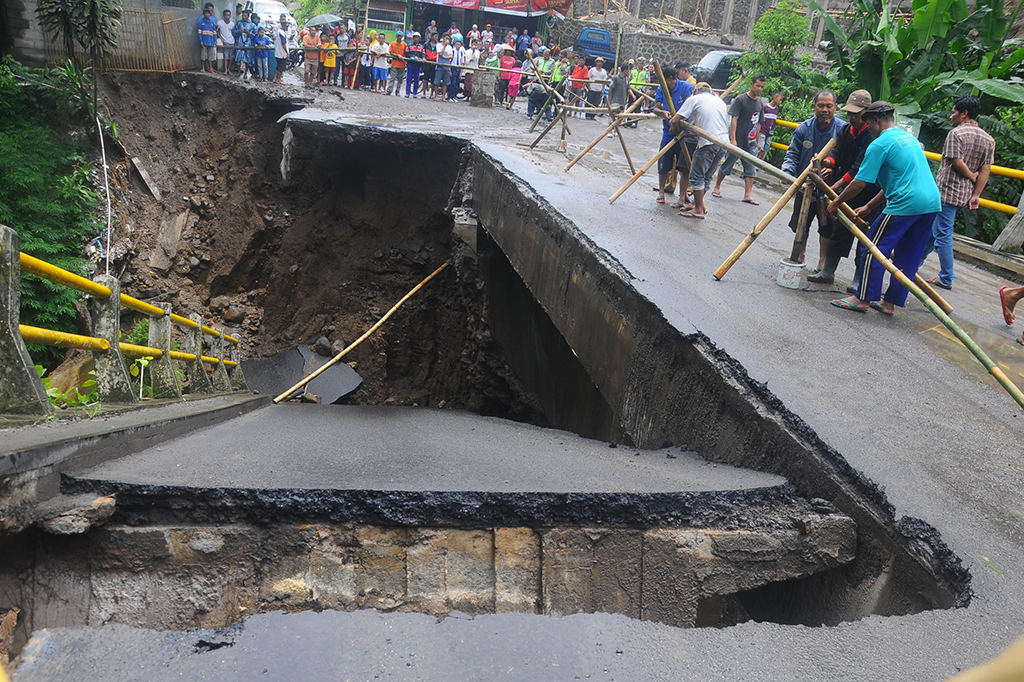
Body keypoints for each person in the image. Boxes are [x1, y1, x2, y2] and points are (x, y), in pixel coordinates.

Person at [826, 100, 941, 315]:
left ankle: (863, 298)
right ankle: (890, 303)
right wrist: (869, 206)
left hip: (905, 203)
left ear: (877, 120)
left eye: (868, 123)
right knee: (909, 255)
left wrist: (836, 202)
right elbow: (895, 181)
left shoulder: (879, 144)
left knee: (872, 248)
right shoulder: (909, 139)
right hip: (931, 203)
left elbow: (860, 181)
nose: (868, 128)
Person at [920, 95, 995, 290]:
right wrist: (976, 194)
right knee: (932, 229)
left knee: (942, 233)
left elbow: (957, 161)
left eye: (953, 112)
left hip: (946, 192)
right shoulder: (988, 139)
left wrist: (970, 175)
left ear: (964, 114)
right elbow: (985, 170)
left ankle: (946, 276)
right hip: (964, 195)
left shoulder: (956, 134)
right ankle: (915, 262)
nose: (951, 116)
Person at [807, 90, 880, 285]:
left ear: (867, 112)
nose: (852, 117)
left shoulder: (872, 136)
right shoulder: (846, 130)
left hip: (868, 192)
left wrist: (837, 187)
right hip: (849, 189)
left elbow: (859, 167)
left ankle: (858, 279)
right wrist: (827, 162)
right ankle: (828, 271)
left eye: (857, 113)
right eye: (850, 113)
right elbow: (837, 154)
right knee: (839, 231)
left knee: (865, 237)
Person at [781, 90, 846, 268]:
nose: (824, 109)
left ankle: (822, 262)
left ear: (835, 107)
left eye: (829, 106)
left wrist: (834, 169)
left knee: (827, 228)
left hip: (831, 188)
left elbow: (849, 161)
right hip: (805, 184)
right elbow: (793, 154)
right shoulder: (805, 128)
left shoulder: (843, 130)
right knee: (802, 222)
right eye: (821, 106)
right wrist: (787, 172)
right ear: (814, 107)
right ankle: (799, 255)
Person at [671, 82, 728, 219]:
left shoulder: (694, 99)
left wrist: (673, 130)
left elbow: (675, 121)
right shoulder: (720, 101)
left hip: (708, 143)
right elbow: (713, 124)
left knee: (696, 176)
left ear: (696, 91)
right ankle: (697, 204)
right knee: (707, 176)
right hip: (723, 143)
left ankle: (698, 210)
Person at [712, 73, 765, 205]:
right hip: (738, 140)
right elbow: (734, 120)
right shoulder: (740, 100)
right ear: (751, 84)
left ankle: (748, 194)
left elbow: (758, 124)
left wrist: (758, 142)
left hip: (751, 142)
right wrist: (733, 139)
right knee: (728, 164)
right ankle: (717, 186)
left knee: (751, 168)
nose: (759, 89)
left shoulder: (760, 103)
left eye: (762, 87)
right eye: (757, 85)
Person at [652, 69, 693, 205]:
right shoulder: (661, 89)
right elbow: (656, 108)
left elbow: (690, 107)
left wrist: (678, 119)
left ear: (670, 78)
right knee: (663, 164)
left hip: (684, 133)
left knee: (684, 167)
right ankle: (661, 192)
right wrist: (663, 113)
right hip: (668, 132)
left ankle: (682, 195)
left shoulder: (685, 87)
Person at [757, 91, 783, 159]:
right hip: (762, 130)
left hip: (770, 132)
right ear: (775, 98)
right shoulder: (765, 107)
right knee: (760, 147)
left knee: (765, 148)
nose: (780, 102)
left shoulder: (776, 109)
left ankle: (758, 163)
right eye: (780, 99)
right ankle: (753, 163)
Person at [232, 9, 256, 79]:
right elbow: (234, 32)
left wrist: (249, 33)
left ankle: (245, 73)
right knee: (238, 58)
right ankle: (239, 72)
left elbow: (255, 36)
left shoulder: (252, 25)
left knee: (247, 59)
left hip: (248, 44)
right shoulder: (238, 23)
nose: (243, 17)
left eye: (245, 16)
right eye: (243, 15)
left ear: (248, 16)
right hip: (239, 42)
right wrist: (238, 32)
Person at [197, 6, 218, 73]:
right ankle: (203, 67)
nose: (207, 15)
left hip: (211, 41)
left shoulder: (212, 23)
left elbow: (214, 33)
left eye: (208, 13)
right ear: (203, 14)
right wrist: (201, 41)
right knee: (203, 55)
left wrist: (215, 41)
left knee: (211, 56)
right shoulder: (201, 22)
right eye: (205, 13)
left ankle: (210, 68)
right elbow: (200, 33)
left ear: (210, 14)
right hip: (204, 41)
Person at [434, 35, 454, 101]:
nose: (447, 40)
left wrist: (445, 57)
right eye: (446, 38)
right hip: (439, 66)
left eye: (448, 38)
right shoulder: (439, 45)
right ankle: (436, 95)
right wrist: (444, 46)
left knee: (446, 83)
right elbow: (440, 54)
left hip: (447, 66)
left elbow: (451, 56)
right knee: (437, 81)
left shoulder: (450, 47)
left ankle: (443, 96)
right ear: (443, 38)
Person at [405, 32, 424, 97]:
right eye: (415, 37)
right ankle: (407, 92)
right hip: (410, 64)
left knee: (416, 79)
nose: (416, 39)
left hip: (418, 65)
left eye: (418, 37)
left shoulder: (421, 47)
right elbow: (407, 53)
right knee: (409, 78)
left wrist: (423, 58)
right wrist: (413, 56)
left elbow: (423, 54)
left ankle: (415, 93)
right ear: (413, 38)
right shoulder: (409, 45)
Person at [217, 9, 235, 75]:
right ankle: (225, 70)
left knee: (230, 57)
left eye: (229, 15)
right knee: (226, 56)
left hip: (232, 42)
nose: (227, 16)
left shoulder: (232, 24)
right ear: (224, 15)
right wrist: (221, 38)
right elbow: (216, 31)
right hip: (225, 41)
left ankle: (229, 70)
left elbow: (234, 33)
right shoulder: (220, 22)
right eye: (226, 15)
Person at [273, 14, 289, 82]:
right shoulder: (281, 32)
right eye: (286, 26)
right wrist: (287, 52)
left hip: (279, 52)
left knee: (278, 67)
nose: (287, 27)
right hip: (281, 52)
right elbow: (283, 43)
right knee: (280, 67)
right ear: (282, 26)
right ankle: (278, 79)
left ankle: (276, 78)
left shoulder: (280, 32)